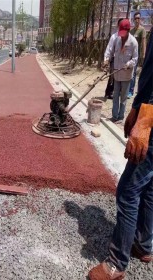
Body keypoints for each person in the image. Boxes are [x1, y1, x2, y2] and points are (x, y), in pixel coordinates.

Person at [88, 26, 153, 280]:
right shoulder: (119, 39)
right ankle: (143, 244)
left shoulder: (135, 41)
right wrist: (138, 107)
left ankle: (117, 263)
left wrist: (146, 118)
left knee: (128, 190)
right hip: (147, 105)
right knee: (148, 186)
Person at [103, 19, 138, 124]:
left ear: (128, 30)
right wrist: (106, 59)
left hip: (126, 74)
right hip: (117, 72)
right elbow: (110, 50)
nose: (122, 36)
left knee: (123, 97)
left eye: (124, 33)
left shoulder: (133, 42)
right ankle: (114, 116)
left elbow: (135, 59)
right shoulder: (117, 39)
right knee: (115, 95)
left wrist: (128, 64)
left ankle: (121, 117)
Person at [127, 11, 147, 99]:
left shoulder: (142, 30)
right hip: (129, 54)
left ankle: (131, 91)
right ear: (133, 19)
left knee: (134, 72)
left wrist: (144, 54)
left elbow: (143, 42)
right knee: (128, 71)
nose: (137, 20)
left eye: (138, 18)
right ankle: (127, 89)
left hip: (136, 54)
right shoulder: (131, 31)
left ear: (140, 19)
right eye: (135, 18)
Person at [104, 18, 124, 99]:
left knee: (120, 77)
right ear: (118, 26)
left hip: (123, 61)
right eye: (120, 25)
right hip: (114, 60)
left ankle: (117, 92)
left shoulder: (129, 37)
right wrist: (106, 59)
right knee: (112, 76)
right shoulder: (114, 36)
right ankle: (108, 92)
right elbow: (109, 49)